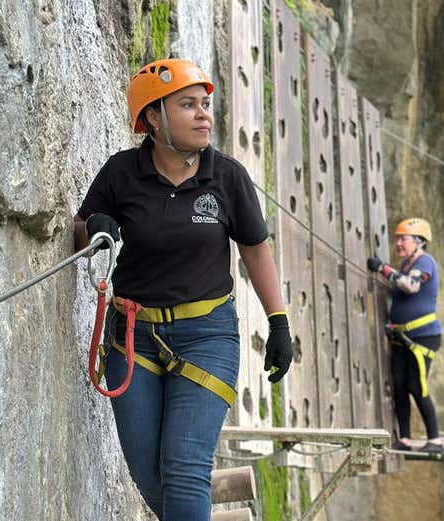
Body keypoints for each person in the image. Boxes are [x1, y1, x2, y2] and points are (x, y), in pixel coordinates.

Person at [73, 58, 292, 521]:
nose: (204, 115)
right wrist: (95, 225)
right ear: (153, 118)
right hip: (132, 336)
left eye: (205, 105)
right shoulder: (121, 174)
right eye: (188, 105)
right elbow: (79, 227)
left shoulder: (227, 176)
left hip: (207, 337)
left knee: (185, 469)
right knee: (147, 474)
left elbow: (255, 250)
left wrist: (279, 321)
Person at [367, 217, 443, 454]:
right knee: (399, 385)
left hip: (422, 337)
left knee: (416, 386)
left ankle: (435, 440)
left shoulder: (425, 262)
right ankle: (406, 438)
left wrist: (383, 269)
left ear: (419, 242)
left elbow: (411, 286)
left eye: (403, 238)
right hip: (401, 337)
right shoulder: (406, 265)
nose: (398, 243)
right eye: (397, 238)